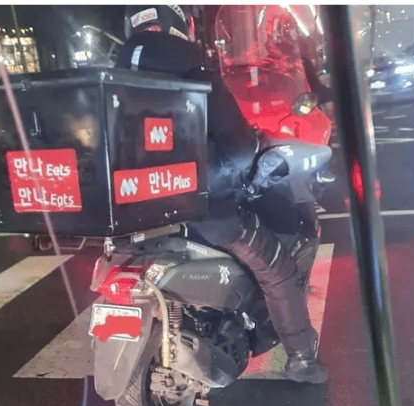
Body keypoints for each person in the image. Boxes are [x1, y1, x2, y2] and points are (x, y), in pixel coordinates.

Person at [116, 5, 328, 384]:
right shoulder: (197, 77)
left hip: (135, 217)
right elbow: (241, 150)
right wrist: (249, 157)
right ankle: (301, 360)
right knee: (276, 269)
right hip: (209, 217)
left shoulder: (115, 83)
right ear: (180, 26)